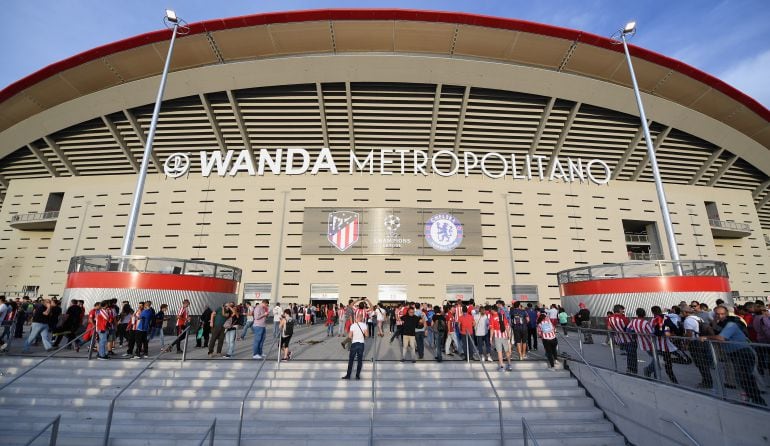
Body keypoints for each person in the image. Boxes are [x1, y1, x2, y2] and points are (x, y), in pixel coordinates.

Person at [701, 306, 766, 406]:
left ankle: (758, 401)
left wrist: (706, 337)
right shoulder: (721, 324)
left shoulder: (731, 324)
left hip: (743, 352)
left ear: (726, 314)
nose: (719, 316)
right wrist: (714, 320)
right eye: (717, 314)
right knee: (741, 378)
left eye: (722, 314)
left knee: (746, 377)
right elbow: (715, 329)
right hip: (735, 353)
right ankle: (751, 399)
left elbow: (720, 338)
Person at [682, 305, 714, 389]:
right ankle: (707, 380)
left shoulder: (688, 320)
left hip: (695, 343)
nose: (682, 314)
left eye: (682, 312)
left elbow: (689, 334)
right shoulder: (698, 318)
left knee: (700, 363)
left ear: (686, 312)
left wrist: (686, 344)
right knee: (703, 363)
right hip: (702, 341)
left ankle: (707, 382)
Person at [650, 305, 678, 383]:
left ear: (652, 312)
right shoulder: (666, 317)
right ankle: (674, 382)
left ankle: (656, 378)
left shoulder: (653, 320)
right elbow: (674, 327)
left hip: (657, 345)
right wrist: (671, 333)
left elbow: (652, 332)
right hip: (667, 345)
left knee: (657, 363)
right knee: (667, 365)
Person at [607, 304, 636, 374]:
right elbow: (630, 329)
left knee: (629, 354)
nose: (623, 311)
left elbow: (609, 328)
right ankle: (632, 370)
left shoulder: (610, 318)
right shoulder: (624, 318)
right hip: (629, 339)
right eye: (622, 309)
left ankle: (630, 369)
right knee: (632, 355)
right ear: (619, 309)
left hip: (620, 339)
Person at [628, 308, 655, 377]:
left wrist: (635, 334)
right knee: (658, 359)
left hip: (642, 344)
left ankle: (653, 372)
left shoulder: (633, 321)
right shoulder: (645, 322)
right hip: (650, 343)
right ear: (644, 314)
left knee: (656, 358)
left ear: (637, 314)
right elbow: (651, 333)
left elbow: (628, 329)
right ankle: (649, 370)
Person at [342, 312, 368, 380]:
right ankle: (357, 376)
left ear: (356, 318)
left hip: (354, 344)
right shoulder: (364, 325)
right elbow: (367, 335)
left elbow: (350, 336)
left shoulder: (353, 325)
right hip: (361, 344)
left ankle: (348, 375)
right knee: (360, 360)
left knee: (351, 360)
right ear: (362, 318)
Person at [490, 302, 513, 372]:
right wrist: (508, 334)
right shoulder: (502, 315)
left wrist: (491, 338)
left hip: (497, 336)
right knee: (507, 351)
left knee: (499, 352)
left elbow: (492, 329)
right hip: (504, 335)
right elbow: (506, 326)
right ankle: (509, 365)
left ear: (493, 310)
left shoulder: (492, 318)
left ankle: (502, 366)